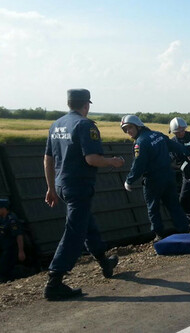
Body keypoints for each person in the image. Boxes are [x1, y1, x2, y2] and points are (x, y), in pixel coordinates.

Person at [43, 89, 125, 300]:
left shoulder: (56, 124)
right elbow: (91, 159)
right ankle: (54, 281)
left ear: (69, 103)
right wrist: (112, 162)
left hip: (62, 186)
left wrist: (51, 188)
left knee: (86, 224)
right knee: (74, 231)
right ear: (86, 105)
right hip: (78, 186)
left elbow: (48, 159)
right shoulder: (85, 125)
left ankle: (104, 262)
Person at [121, 115, 190, 241]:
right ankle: (184, 230)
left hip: (153, 180)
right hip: (169, 177)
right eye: (125, 129)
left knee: (153, 208)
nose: (128, 131)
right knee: (174, 205)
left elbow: (138, 165)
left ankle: (159, 235)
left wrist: (129, 181)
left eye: (130, 127)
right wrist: (188, 152)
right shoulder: (158, 135)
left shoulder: (140, 143)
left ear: (138, 126)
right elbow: (174, 146)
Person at [0, 199, 25, 281]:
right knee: (4, 269)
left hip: (12, 249)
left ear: (3, 208)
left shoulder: (12, 220)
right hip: (6, 248)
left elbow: (19, 235)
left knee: (4, 269)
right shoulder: (2, 219)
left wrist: (21, 251)